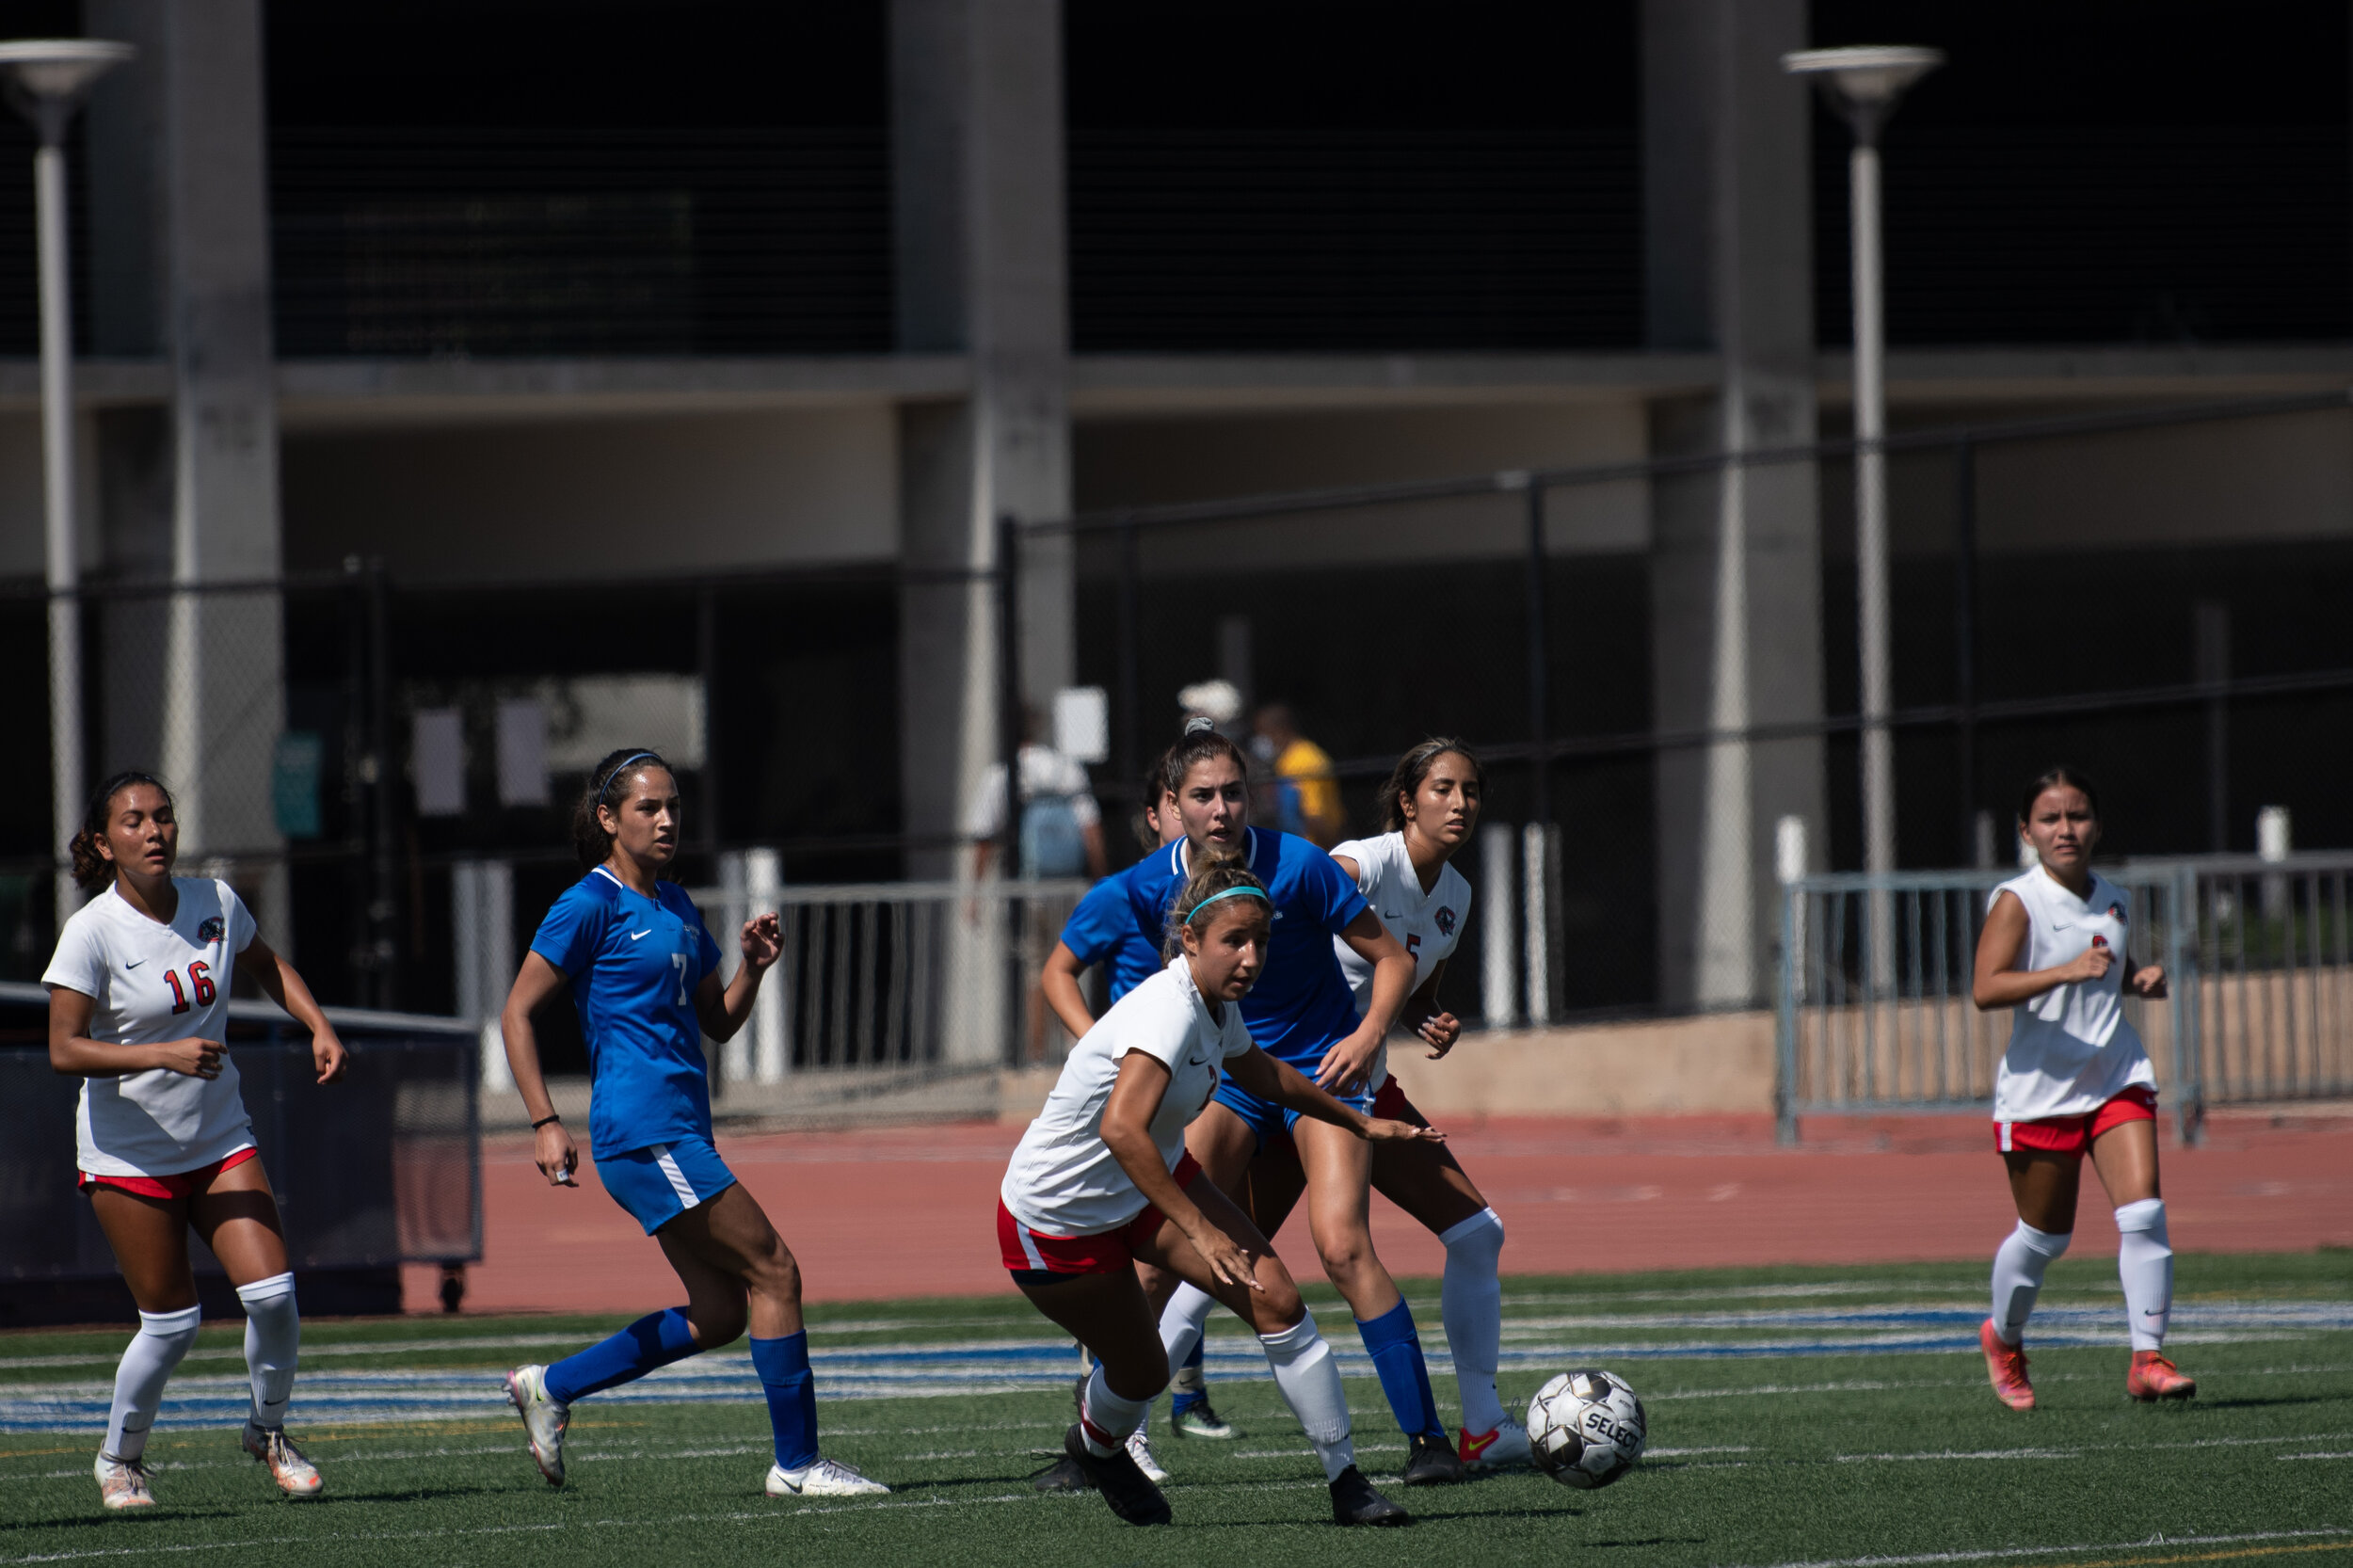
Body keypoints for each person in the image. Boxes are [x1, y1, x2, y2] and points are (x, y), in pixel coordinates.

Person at [1044, 724, 1466, 1486]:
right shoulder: (1144, 886)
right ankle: (1098, 1446)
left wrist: (1369, 1034)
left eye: (1233, 792)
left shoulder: (1299, 863)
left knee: (1340, 1246)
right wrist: (1102, 1051)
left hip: (1317, 1075)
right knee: (1156, 1264)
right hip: (1233, 1083)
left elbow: (1392, 958)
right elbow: (1060, 970)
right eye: (1202, 796)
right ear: (1170, 805)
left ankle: (1428, 1441)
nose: (1220, 810)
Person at [1000, 853, 1434, 1527]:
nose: (1251, 956)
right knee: (1141, 1374)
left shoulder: (1214, 1006)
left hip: (1144, 1185)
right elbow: (1122, 1129)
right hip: (1059, 1219)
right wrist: (1202, 1232)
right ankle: (1095, 1446)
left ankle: (1348, 1483)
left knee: (1279, 1300)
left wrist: (1358, 1120)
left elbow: (1264, 1073)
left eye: (1261, 939)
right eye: (1234, 940)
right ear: (1189, 942)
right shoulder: (1167, 1014)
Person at [499, 749, 887, 1498]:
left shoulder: (676, 904)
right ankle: (798, 1466)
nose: (668, 819)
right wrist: (544, 1119)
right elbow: (515, 1011)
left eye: (673, 805)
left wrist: (754, 968)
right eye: (649, 808)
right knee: (775, 1268)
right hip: (643, 1134)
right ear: (609, 820)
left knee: (717, 1315)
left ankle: (550, 1386)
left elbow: (717, 1021)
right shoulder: (589, 903)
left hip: (681, 1132)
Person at [1157, 739, 1529, 1469]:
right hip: (1274, 1079)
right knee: (1211, 1253)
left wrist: (1423, 1013)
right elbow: (1274, 940)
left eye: (1472, 791)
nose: (1460, 804)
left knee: (1470, 1233)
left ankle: (1475, 1426)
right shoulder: (1354, 863)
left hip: (1344, 1082)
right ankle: (1115, 1432)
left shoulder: (1454, 895)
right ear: (1406, 800)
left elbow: (1406, 981)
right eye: (1444, 788)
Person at [43, 771, 347, 1511]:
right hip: (128, 1154)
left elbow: (265, 963)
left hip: (217, 1138)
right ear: (103, 842)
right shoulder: (92, 930)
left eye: (164, 818)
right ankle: (120, 1460)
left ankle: (267, 1432)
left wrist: (319, 1023)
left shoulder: (215, 902)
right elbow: (64, 1050)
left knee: (274, 1296)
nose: (154, 832)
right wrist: (162, 1053)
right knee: (173, 1324)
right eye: (134, 821)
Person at [1971, 766, 2192, 1410]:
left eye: (2077, 816)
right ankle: (2004, 1337)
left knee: (2143, 1212)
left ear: (2096, 825)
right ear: (2026, 831)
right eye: (2049, 818)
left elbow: (2105, 972)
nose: (2065, 829)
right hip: (2040, 1092)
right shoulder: (2019, 900)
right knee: (2046, 1238)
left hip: (2116, 1075)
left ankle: (2147, 1357)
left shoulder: (2115, 896)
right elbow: (1987, 988)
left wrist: (2135, 981)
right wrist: (2067, 970)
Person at [967, 705, 1108, 882]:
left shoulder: (999, 775)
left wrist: (974, 897)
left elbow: (984, 837)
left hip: (1022, 885)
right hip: (1068, 882)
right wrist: (1100, 878)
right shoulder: (1067, 767)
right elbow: (1091, 828)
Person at [1252, 703, 1344, 847]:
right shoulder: (1287, 760)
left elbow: (1315, 815)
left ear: (1280, 730)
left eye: (1265, 734)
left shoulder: (1306, 760)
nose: (1263, 741)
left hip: (1315, 848)